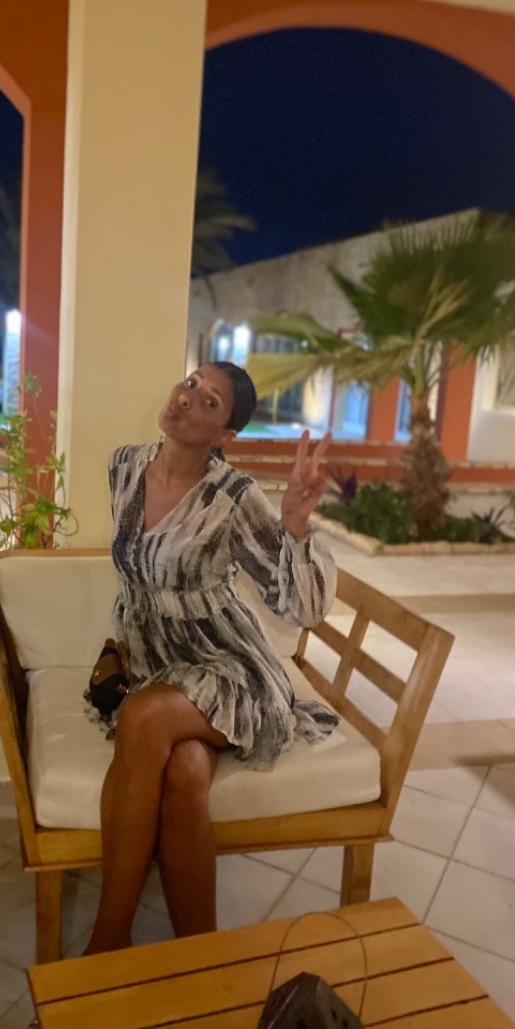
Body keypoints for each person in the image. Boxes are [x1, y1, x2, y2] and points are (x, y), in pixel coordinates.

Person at [85, 361, 338, 955]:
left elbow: (299, 607)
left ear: (226, 435)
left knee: (144, 716)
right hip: (157, 662)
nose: (187, 398)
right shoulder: (123, 466)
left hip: (229, 665)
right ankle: (202, 959)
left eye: (209, 402)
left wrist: (295, 524)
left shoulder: (234, 497)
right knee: (186, 773)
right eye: (192, 383)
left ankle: (107, 940)